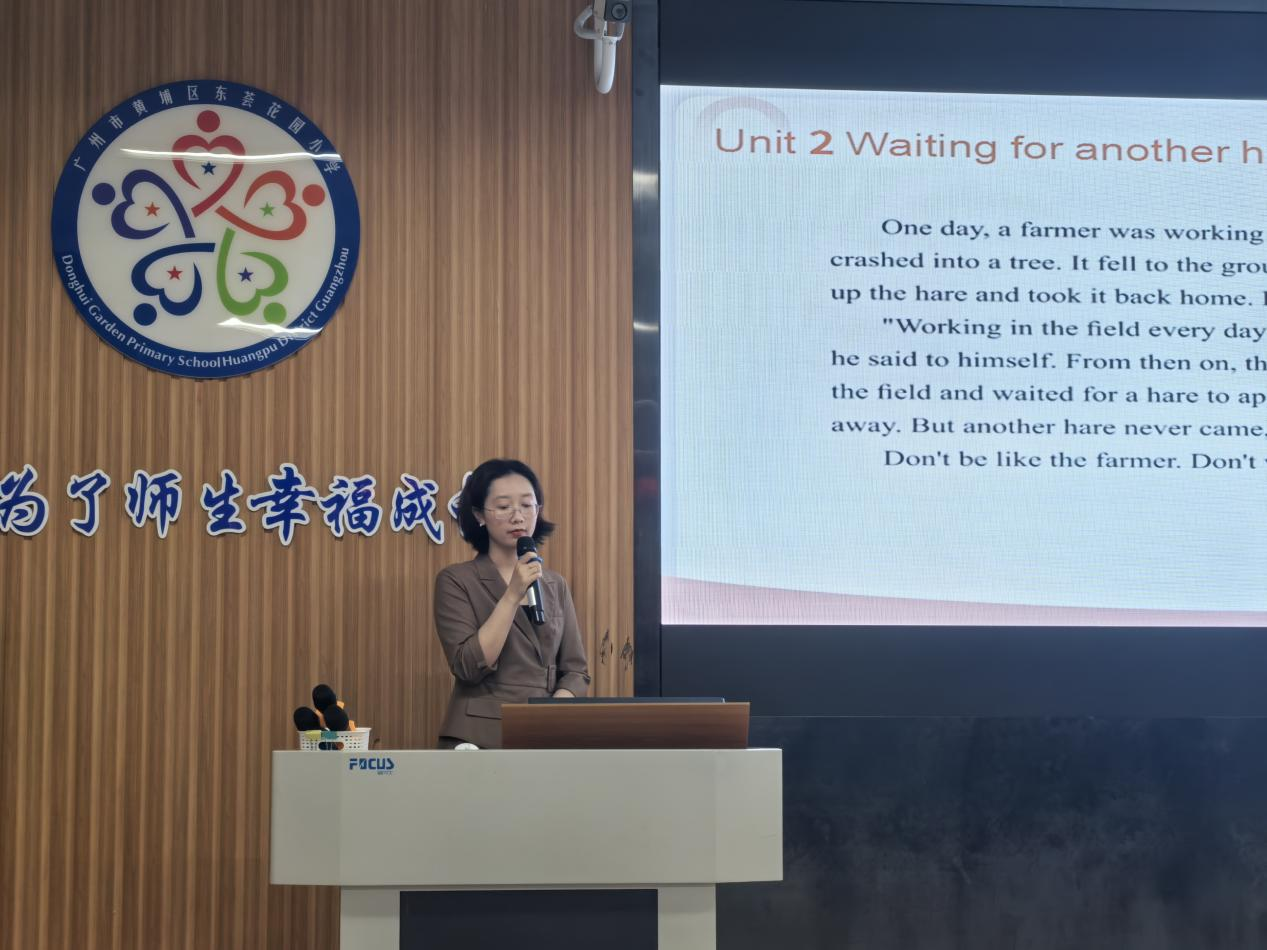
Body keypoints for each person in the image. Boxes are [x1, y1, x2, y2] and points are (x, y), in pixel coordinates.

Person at [433, 458, 590, 748]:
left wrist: (553, 711)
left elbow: (576, 671)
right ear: (479, 515)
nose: (518, 516)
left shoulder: (554, 584)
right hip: (478, 736)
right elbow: (467, 666)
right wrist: (512, 594)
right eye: (504, 506)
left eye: (527, 505)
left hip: (544, 734)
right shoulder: (456, 580)